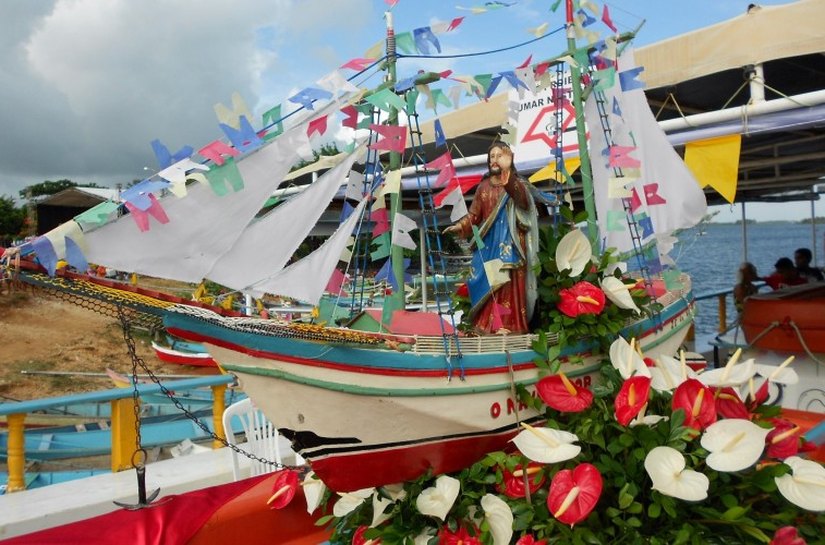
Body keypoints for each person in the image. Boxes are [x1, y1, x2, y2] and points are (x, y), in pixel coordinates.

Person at [443, 141, 538, 334]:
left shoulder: (517, 184)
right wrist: (459, 225)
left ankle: (511, 325)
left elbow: (525, 203)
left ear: (509, 159)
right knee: (489, 285)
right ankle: (490, 326)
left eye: (499, 156)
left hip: (512, 244)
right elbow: (475, 216)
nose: (495, 160)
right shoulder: (483, 187)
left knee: (508, 285)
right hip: (488, 245)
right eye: (492, 157)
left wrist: (508, 176)